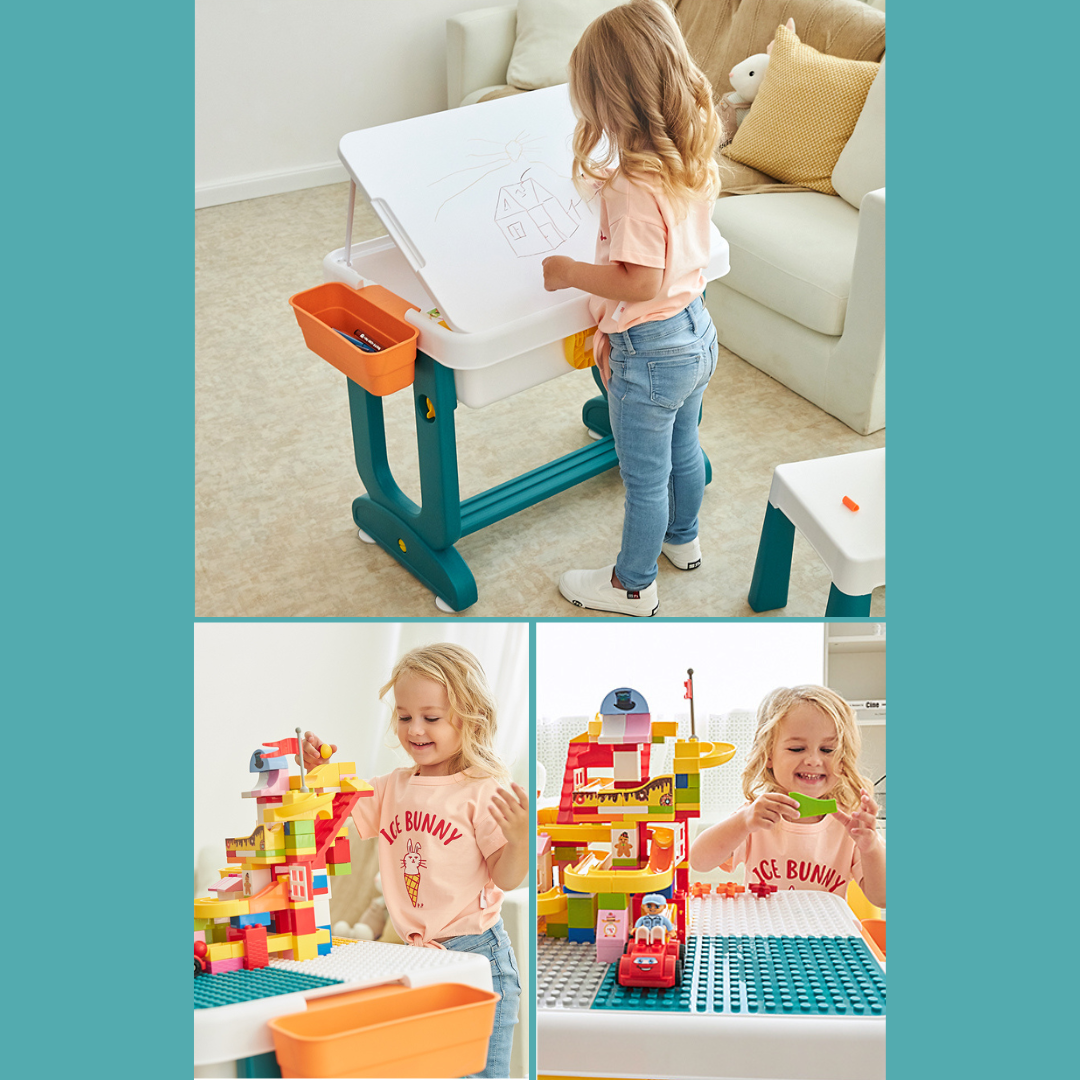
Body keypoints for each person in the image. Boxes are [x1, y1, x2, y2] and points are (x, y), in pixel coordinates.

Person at [542, 0, 723, 616]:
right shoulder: (689, 155)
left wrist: (569, 273)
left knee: (645, 479)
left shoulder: (631, 185)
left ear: (610, 99)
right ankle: (684, 541)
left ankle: (632, 585)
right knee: (685, 447)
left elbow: (639, 281)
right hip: (697, 333)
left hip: (651, 352)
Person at [301, 643, 528, 1079]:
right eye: (404, 717)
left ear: (470, 716)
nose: (415, 730)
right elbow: (336, 817)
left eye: (431, 717)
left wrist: (517, 841)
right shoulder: (391, 787)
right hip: (417, 960)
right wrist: (316, 774)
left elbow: (506, 877)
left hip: (477, 958)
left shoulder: (483, 789)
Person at [689, 686, 886, 907]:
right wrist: (743, 822)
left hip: (825, 938)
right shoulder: (756, 815)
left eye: (827, 750)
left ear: (843, 759)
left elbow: (884, 898)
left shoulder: (850, 823)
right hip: (764, 935)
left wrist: (870, 847)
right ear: (769, 755)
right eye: (797, 749)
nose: (813, 760)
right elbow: (699, 861)